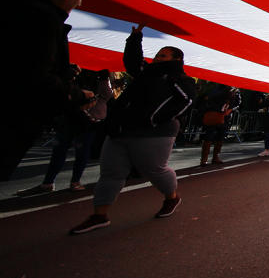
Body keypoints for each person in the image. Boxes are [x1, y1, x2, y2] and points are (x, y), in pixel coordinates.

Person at [69, 24, 197, 234]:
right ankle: (99, 215)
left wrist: (155, 119)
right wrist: (135, 38)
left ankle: (172, 198)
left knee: (154, 170)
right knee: (110, 173)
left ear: (176, 60)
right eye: (157, 54)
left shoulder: (180, 80)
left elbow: (186, 101)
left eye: (163, 56)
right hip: (121, 129)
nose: (157, 58)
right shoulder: (145, 73)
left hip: (154, 133)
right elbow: (131, 61)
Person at [0, 0, 90, 181]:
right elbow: (32, 78)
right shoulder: (42, 19)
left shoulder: (9, 7)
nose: (79, 3)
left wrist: (63, 72)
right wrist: (78, 95)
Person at [18, 68, 112, 196]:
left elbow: (106, 95)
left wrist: (103, 79)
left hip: (86, 120)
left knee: (78, 151)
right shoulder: (75, 75)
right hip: (73, 117)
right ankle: (50, 182)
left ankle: (73, 181)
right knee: (62, 150)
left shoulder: (99, 77)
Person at [199, 85, 240, 165]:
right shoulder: (217, 88)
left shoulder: (236, 91)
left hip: (225, 117)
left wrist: (230, 110)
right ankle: (204, 159)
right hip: (214, 114)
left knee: (220, 137)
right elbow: (209, 98)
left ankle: (216, 157)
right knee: (208, 136)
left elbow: (237, 103)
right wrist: (227, 92)